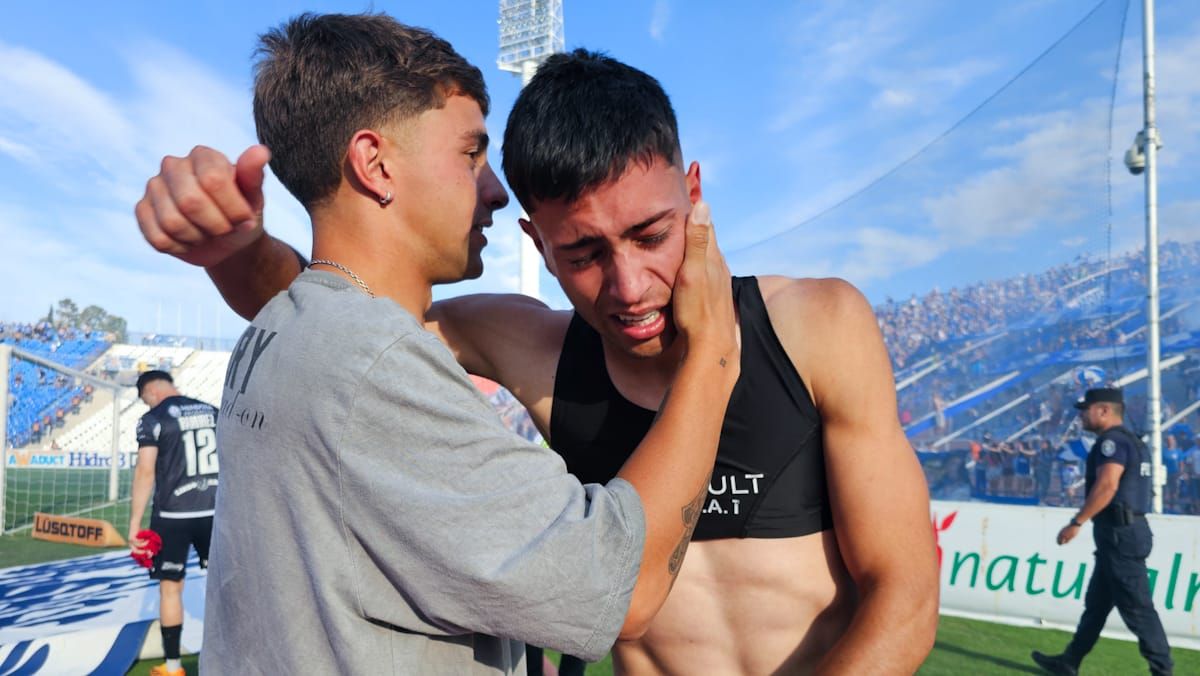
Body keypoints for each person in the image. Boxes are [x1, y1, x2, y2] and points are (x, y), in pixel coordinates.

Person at [137, 47, 938, 674]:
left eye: (651, 235)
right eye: (584, 253)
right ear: (537, 247)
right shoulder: (534, 347)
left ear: (694, 193)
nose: (629, 287)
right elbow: (336, 320)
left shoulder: (816, 325)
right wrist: (237, 248)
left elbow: (902, 597)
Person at [1031, 387, 1173, 676]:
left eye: (1086, 409)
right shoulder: (1132, 441)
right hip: (1122, 533)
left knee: (1138, 610)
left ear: (1104, 411)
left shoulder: (1112, 443)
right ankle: (1069, 662)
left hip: (1120, 534)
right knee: (1096, 606)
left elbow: (1107, 486)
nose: (1082, 415)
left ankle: (1163, 671)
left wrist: (1077, 522)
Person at [128, 370, 219, 676]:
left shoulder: (154, 418)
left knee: (170, 589)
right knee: (226, 586)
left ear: (149, 393)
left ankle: (173, 668)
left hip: (172, 516)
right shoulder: (212, 411)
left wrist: (134, 525)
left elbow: (145, 471)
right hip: (215, 512)